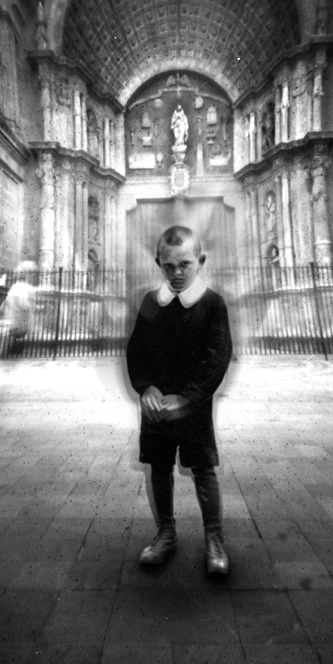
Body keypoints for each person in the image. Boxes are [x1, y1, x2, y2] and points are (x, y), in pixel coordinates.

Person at [126, 225, 233, 576]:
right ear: (159, 263)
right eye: (168, 266)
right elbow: (136, 351)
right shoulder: (150, 302)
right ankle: (165, 534)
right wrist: (146, 388)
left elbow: (217, 357)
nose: (176, 273)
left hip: (192, 405)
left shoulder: (212, 303)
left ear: (200, 261)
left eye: (184, 264)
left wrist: (187, 398)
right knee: (158, 466)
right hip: (157, 407)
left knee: (203, 467)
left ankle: (214, 538)